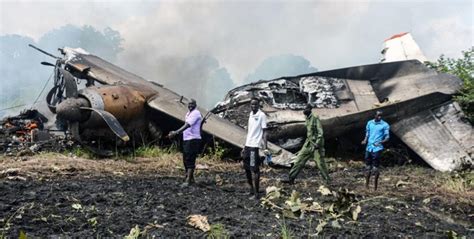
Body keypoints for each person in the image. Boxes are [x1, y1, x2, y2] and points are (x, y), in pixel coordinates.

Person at [283, 104, 330, 184]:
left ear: (309, 109)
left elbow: (320, 132)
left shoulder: (315, 118)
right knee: (299, 160)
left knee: (320, 164)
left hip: (316, 146)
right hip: (308, 143)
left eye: (305, 108)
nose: (303, 110)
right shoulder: (306, 118)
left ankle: (327, 181)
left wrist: (317, 143)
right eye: (303, 108)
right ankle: (291, 179)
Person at [168, 99, 202, 187]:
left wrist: (176, 132)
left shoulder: (196, 113)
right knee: (185, 158)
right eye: (189, 104)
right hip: (187, 139)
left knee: (190, 159)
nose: (190, 106)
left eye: (192, 104)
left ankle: (188, 180)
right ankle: (190, 178)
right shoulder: (188, 113)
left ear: (195, 105)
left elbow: (187, 125)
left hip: (193, 139)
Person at [242, 97, 268, 200]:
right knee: (246, 168)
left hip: (254, 146)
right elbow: (249, 132)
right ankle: (251, 190)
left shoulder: (262, 115)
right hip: (248, 145)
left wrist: (265, 147)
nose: (253, 106)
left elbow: (265, 131)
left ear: (258, 105)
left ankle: (257, 194)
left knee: (254, 169)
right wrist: (244, 146)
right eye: (252, 104)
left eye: (255, 104)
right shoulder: (250, 114)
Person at [361, 110, 390, 191]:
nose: (379, 117)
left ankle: (375, 188)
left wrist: (380, 142)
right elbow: (367, 133)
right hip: (369, 147)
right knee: (367, 167)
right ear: (374, 115)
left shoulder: (385, 125)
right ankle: (366, 185)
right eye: (378, 115)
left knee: (375, 168)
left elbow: (387, 137)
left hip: (377, 148)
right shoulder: (369, 123)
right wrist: (365, 140)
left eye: (381, 116)